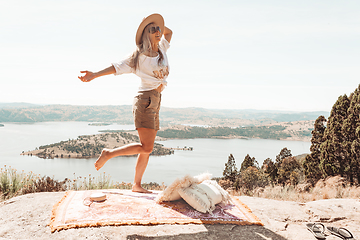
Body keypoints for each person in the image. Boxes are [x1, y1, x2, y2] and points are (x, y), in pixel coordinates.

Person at [78, 14, 172, 193]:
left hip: (156, 101)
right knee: (147, 147)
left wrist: (159, 25)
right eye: (153, 30)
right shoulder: (138, 56)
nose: (158, 32)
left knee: (146, 149)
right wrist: (94, 74)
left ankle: (136, 185)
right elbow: (116, 67)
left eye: (158, 29)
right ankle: (109, 154)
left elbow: (170, 33)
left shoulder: (161, 50)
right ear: (145, 33)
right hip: (145, 101)